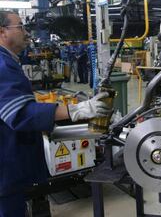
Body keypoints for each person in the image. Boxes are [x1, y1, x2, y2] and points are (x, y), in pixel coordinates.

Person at [0, 11, 112, 216]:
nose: (26, 32)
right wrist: (75, 109)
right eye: (20, 26)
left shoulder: (8, 61)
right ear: (2, 32)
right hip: (5, 170)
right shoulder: (2, 65)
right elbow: (20, 113)